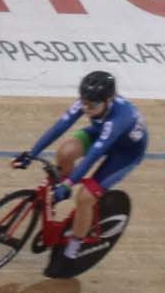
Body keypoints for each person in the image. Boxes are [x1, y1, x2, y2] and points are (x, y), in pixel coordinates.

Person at [13, 69, 146, 263]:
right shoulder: (90, 101)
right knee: (64, 153)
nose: (86, 108)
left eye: (92, 105)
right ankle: (61, 192)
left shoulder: (120, 118)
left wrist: (69, 183)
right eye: (83, 102)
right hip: (100, 134)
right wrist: (32, 153)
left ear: (109, 100)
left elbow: (93, 157)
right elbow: (59, 127)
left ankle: (74, 247)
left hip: (125, 153)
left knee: (84, 198)